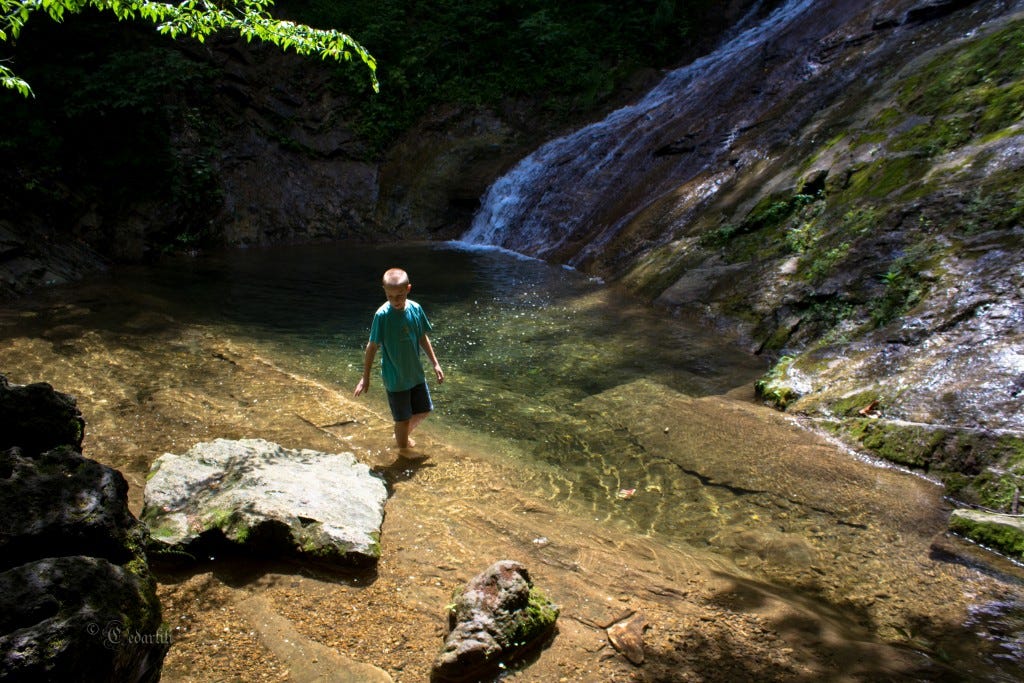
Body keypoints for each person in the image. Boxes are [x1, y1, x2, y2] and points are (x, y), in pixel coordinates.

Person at [353, 267, 444, 452]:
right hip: (395, 378)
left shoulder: (416, 309)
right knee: (401, 419)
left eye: (400, 295)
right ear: (384, 292)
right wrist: (366, 377)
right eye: (390, 296)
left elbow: (422, 337)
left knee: (424, 409)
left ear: (408, 289)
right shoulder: (382, 316)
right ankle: (403, 452)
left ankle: (400, 436)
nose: (395, 300)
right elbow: (372, 347)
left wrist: (435, 363)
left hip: (415, 374)